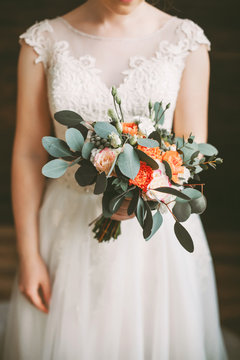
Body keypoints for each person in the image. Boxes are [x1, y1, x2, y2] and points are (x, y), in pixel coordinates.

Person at [2, 0, 228, 359]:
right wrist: (29, 257)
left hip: (156, 237)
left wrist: (149, 183)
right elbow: (29, 154)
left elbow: (191, 154)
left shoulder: (187, 42)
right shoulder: (43, 41)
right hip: (66, 227)